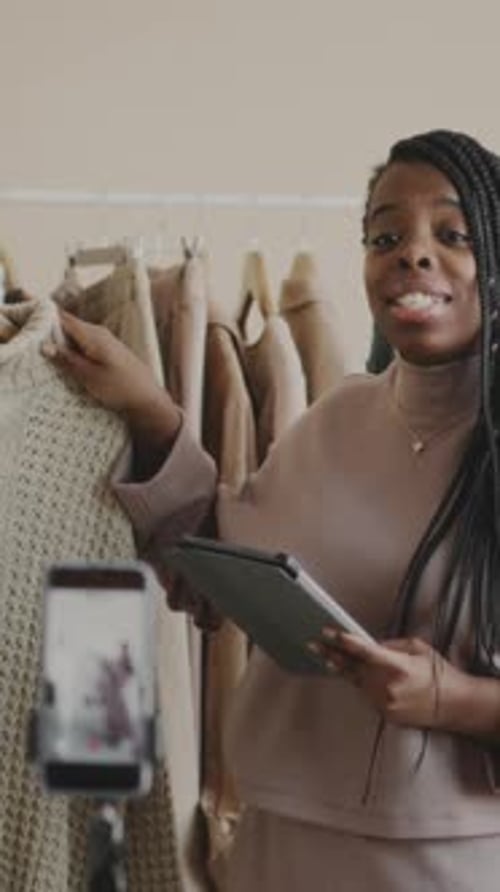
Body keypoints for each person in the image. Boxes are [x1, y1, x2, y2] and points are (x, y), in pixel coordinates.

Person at [45, 129, 500, 891]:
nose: (412, 255)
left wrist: (451, 700)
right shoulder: (334, 418)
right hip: (276, 847)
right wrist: (152, 411)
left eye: (451, 234)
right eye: (385, 234)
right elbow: (218, 570)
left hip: (448, 864)